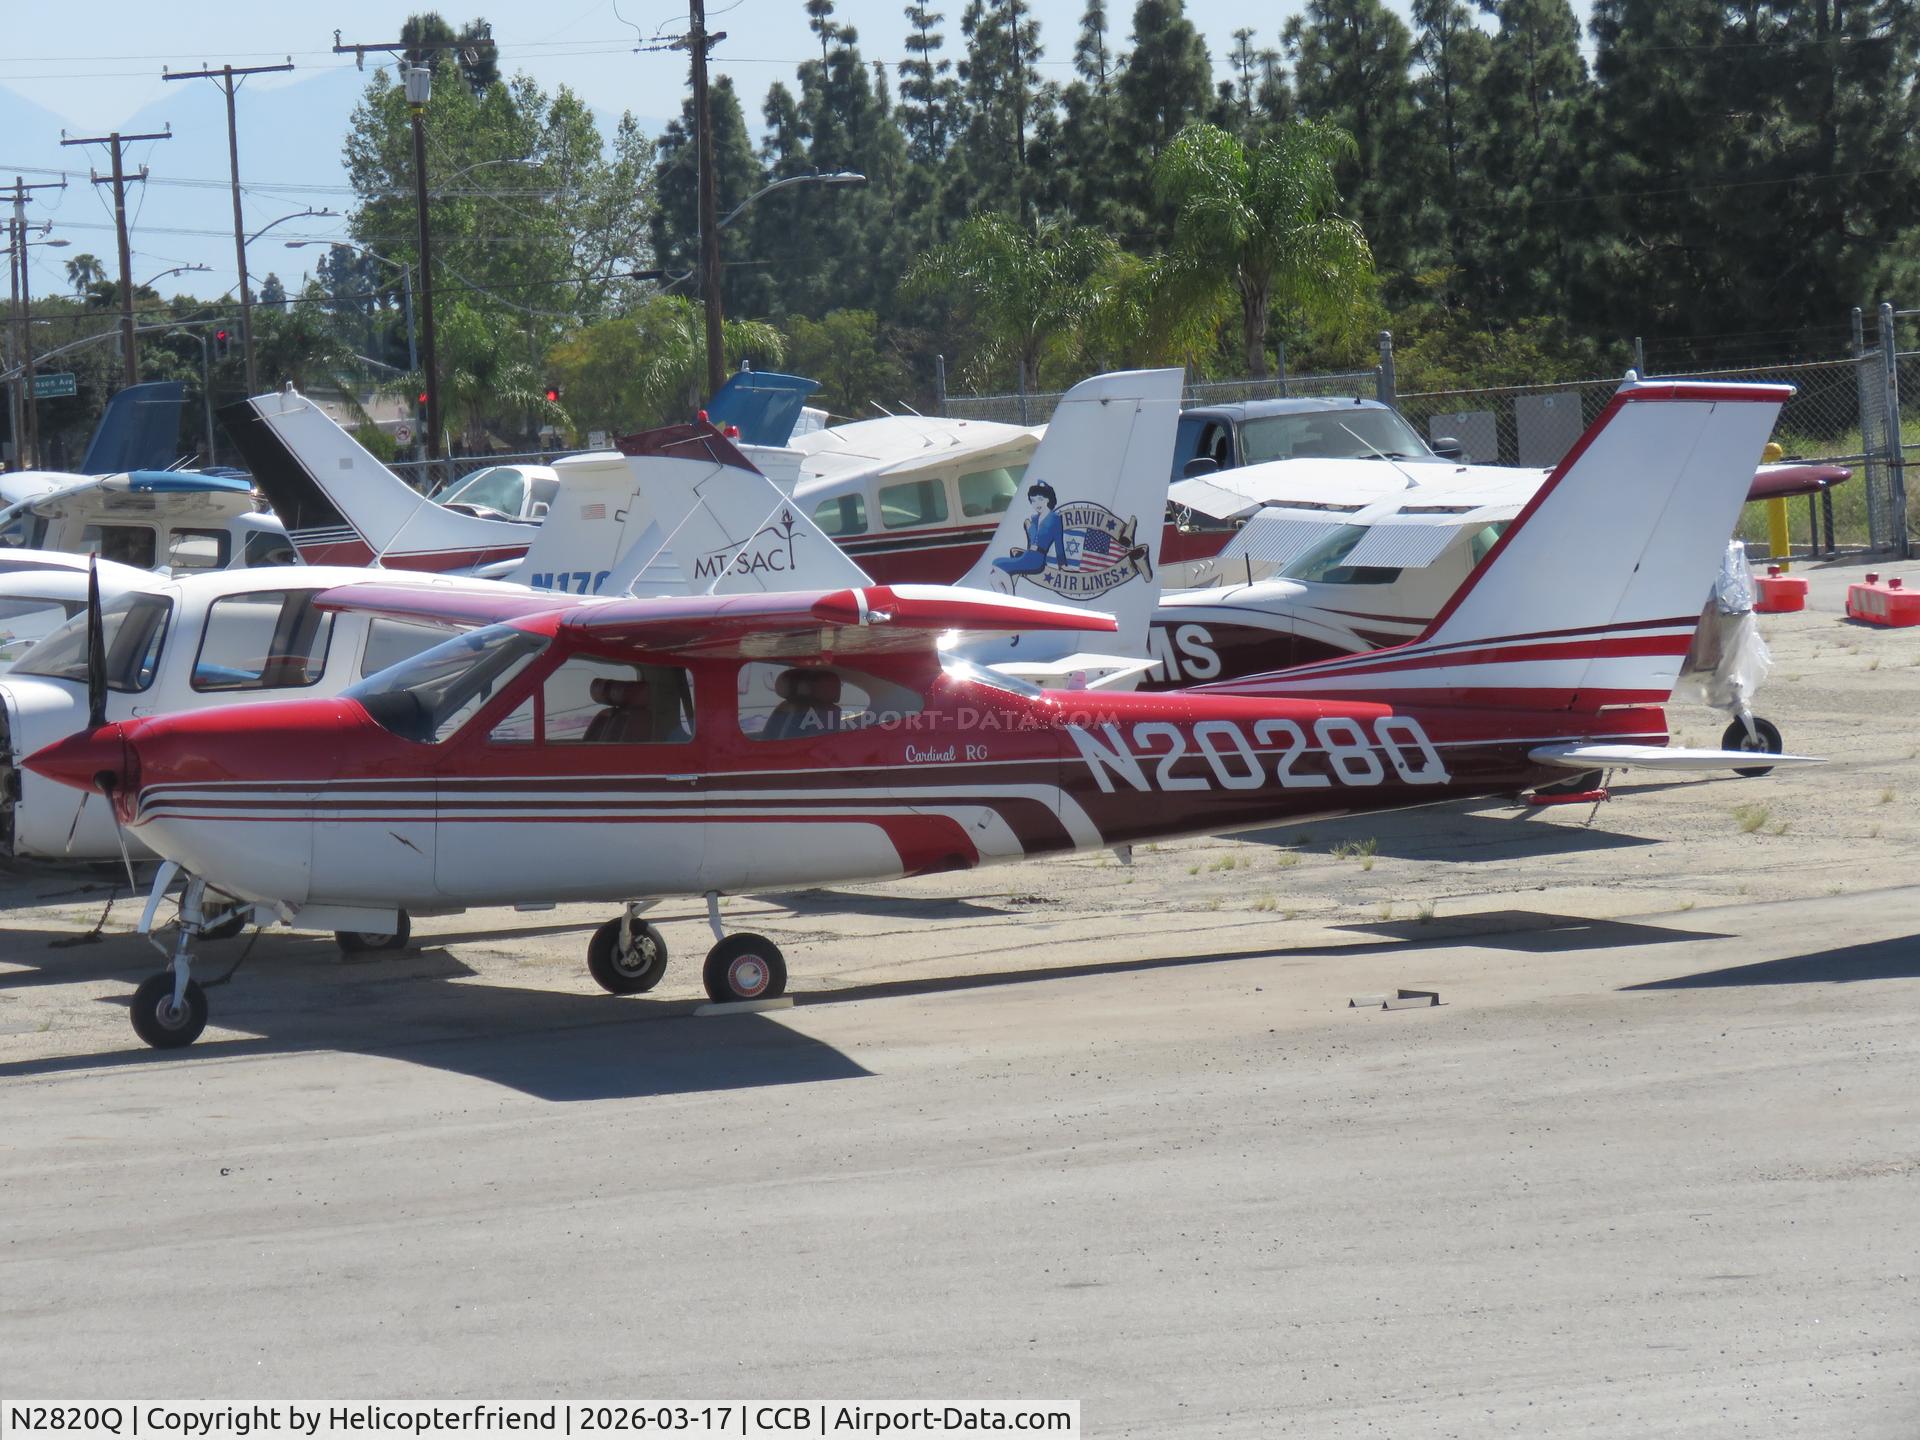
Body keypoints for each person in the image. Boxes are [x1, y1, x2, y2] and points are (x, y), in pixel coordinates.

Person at [990, 480, 1068, 593]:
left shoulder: (1055, 519)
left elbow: (1059, 543)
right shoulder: (1034, 519)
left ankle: (1010, 598)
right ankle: (1008, 597)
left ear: (1048, 499)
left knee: (998, 563)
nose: (1036, 504)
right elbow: (1031, 542)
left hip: (1037, 559)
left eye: (1040, 499)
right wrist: (1029, 528)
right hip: (1028, 555)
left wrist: (1062, 564)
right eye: (1033, 500)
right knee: (993, 577)